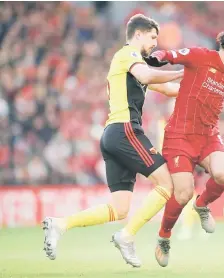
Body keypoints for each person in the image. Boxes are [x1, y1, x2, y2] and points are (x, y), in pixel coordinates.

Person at [42, 14, 183, 267]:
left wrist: (203, 86)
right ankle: (127, 236)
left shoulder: (135, 67)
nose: (154, 43)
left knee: (120, 210)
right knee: (166, 183)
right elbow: (150, 76)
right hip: (125, 130)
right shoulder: (128, 55)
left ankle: (60, 224)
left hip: (113, 135)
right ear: (137, 35)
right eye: (152, 37)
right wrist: (181, 71)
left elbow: (169, 89)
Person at [144, 24, 224, 267]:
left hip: (208, 136)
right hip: (179, 137)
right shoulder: (200, 56)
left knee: (222, 175)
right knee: (182, 194)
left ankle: (202, 206)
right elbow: (171, 55)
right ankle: (164, 237)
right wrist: (157, 57)